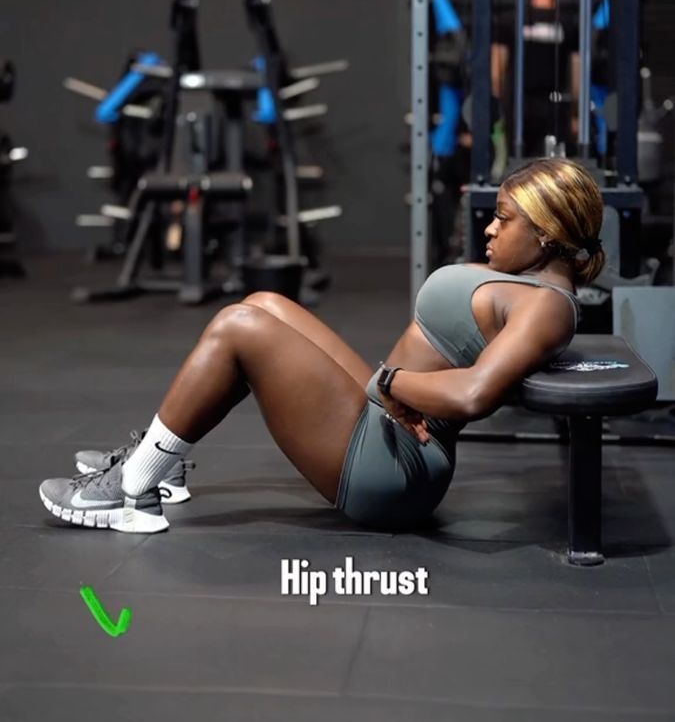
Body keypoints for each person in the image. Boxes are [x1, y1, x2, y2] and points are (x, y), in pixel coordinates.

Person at [38, 158, 605, 534]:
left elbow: (478, 393)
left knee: (240, 327)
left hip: (395, 469)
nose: (489, 230)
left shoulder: (547, 305)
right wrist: (387, 388)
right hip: (385, 425)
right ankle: (162, 462)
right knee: (263, 304)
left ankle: (130, 491)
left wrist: (389, 383)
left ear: (547, 232)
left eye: (503, 220)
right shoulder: (531, 288)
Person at [491, 0, 580, 157]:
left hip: (518, 104)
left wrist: (499, 104)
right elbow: (577, 73)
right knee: (549, 164)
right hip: (553, 103)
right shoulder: (568, 24)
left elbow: (496, 69)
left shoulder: (511, 20)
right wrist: (575, 112)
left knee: (517, 161)